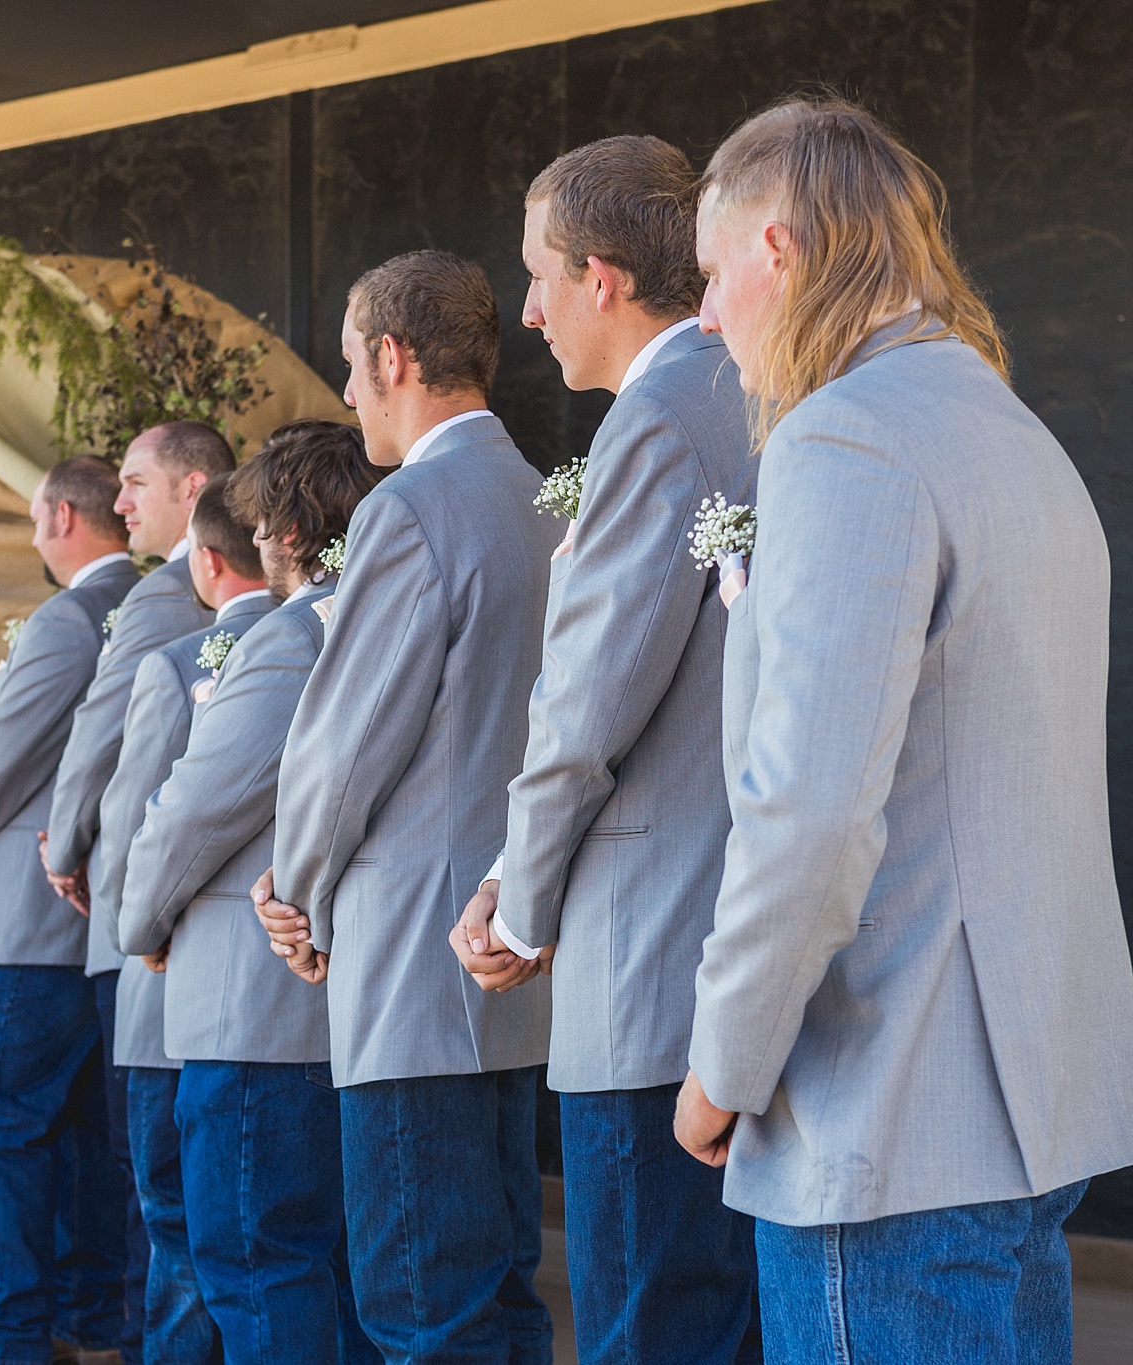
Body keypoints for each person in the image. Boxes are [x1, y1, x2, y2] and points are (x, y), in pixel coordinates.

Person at [674, 97, 1133, 1363]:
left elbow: (809, 810)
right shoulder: (1008, 428)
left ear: (776, 246)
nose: (706, 317)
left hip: (886, 1116)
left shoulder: (845, 436)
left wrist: (724, 1065)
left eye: (710, 275)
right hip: (1030, 1098)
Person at [449, 137, 761, 1364]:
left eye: (536, 278)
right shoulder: (752, 390)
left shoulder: (658, 420)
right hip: (734, 945)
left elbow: (585, 706)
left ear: (602, 277)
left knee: (650, 1322)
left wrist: (517, 908)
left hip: (647, 959)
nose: (524, 312)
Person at [254, 253, 554, 1364]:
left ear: (392, 356)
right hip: (507, 952)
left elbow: (343, 744)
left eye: (347, 364)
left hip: (409, 971)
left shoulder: (410, 508)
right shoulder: (540, 497)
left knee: (423, 1308)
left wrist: (289, 884)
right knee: (499, 1295)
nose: (344, 395)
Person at [120, 422, 384, 1364]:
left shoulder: (284, 641)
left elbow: (191, 812)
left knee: (256, 1266)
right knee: (327, 1273)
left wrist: (139, 921)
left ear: (280, 529)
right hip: (332, 1010)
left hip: (249, 1011)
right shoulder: (376, 624)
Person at [0, 456, 137, 1365]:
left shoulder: (66, 622)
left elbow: (3, 755)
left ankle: (7, 1335)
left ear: (59, 517)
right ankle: (89, 1315)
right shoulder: (163, 603)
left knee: (2, 1119)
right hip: (102, 926)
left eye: (32, 520)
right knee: (88, 1131)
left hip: (30, 916)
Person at [40, 421, 232, 1363]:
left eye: (135, 483)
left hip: (154, 926)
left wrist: (67, 845)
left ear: (193, 489)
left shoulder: (161, 601)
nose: (121, 505)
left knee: (158, 1183)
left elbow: (105, 736)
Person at [91, 474, 274, 1365]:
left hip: (174, 987)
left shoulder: (174, 664)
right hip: (290, 993)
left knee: (175, 1227)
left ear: (206, 562)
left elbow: (135, 828)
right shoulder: (325, 637)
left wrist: (139, 927)